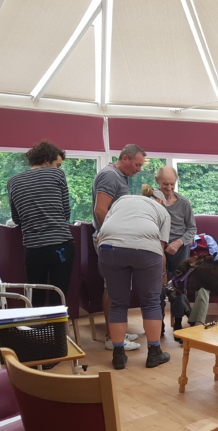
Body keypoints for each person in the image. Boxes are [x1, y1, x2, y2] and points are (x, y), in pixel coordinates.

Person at [97, 189, 171, 370]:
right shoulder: (162, 210)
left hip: (109, 247)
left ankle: (118, 355)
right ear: (159, 201)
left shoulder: (122, 200)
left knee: (117, 303)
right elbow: (160, 250)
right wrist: (162, 276)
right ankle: (154, 353)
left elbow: (100, 234)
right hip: (146, 249)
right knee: (151, 302)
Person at [144, 168, 211, 341]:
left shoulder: (184, 203)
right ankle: (158, 325)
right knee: (157, 287)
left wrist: (179, 242)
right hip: (157, 248)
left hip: (180, 248)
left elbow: (192, 228)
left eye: (172, 184)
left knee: (178, 287)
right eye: (165, 184)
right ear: (157, 180)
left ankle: (178, 324)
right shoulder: (150, 201)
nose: (169, 188)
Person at [91, 144, 146, 352]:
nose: (139, 169)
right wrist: (111, 234)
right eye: (137, 164)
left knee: (118, 289)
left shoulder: (119, 177)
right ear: (125, 158)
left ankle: (117, 332)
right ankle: (111, 337)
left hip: (115, 241)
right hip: (110, 241)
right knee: (113, 289)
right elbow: (100, 209)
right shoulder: (110, 176)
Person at [7, 141, 74, 307]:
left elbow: (16, 219)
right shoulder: (57, 175)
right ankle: (58, 332)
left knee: (35, 295)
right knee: (58, 295)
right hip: (60, 244)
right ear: (47, 161)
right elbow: (66, 213)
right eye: (57, 164)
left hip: (34, 248)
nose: (58, 168)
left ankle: (36, 330)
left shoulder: (13, 182)